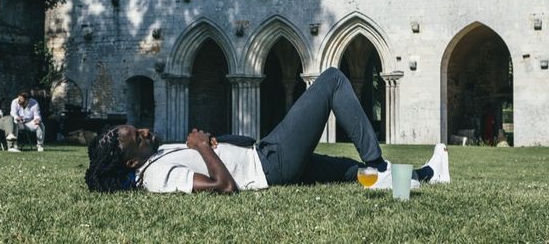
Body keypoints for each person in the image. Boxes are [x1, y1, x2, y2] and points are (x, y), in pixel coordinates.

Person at [85, 67, 451, 193]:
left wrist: (207, 144)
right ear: (130, 161)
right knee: (332, 81)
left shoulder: (154, 160)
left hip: (266, 156)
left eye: (141, 129)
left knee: (351, 173)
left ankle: (429, 175)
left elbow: (208, 163)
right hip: (270, 165)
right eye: (139, 136)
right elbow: (223, 187)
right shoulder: (156, 177)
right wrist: (202, 146)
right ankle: (382, 165)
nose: (147, 131)